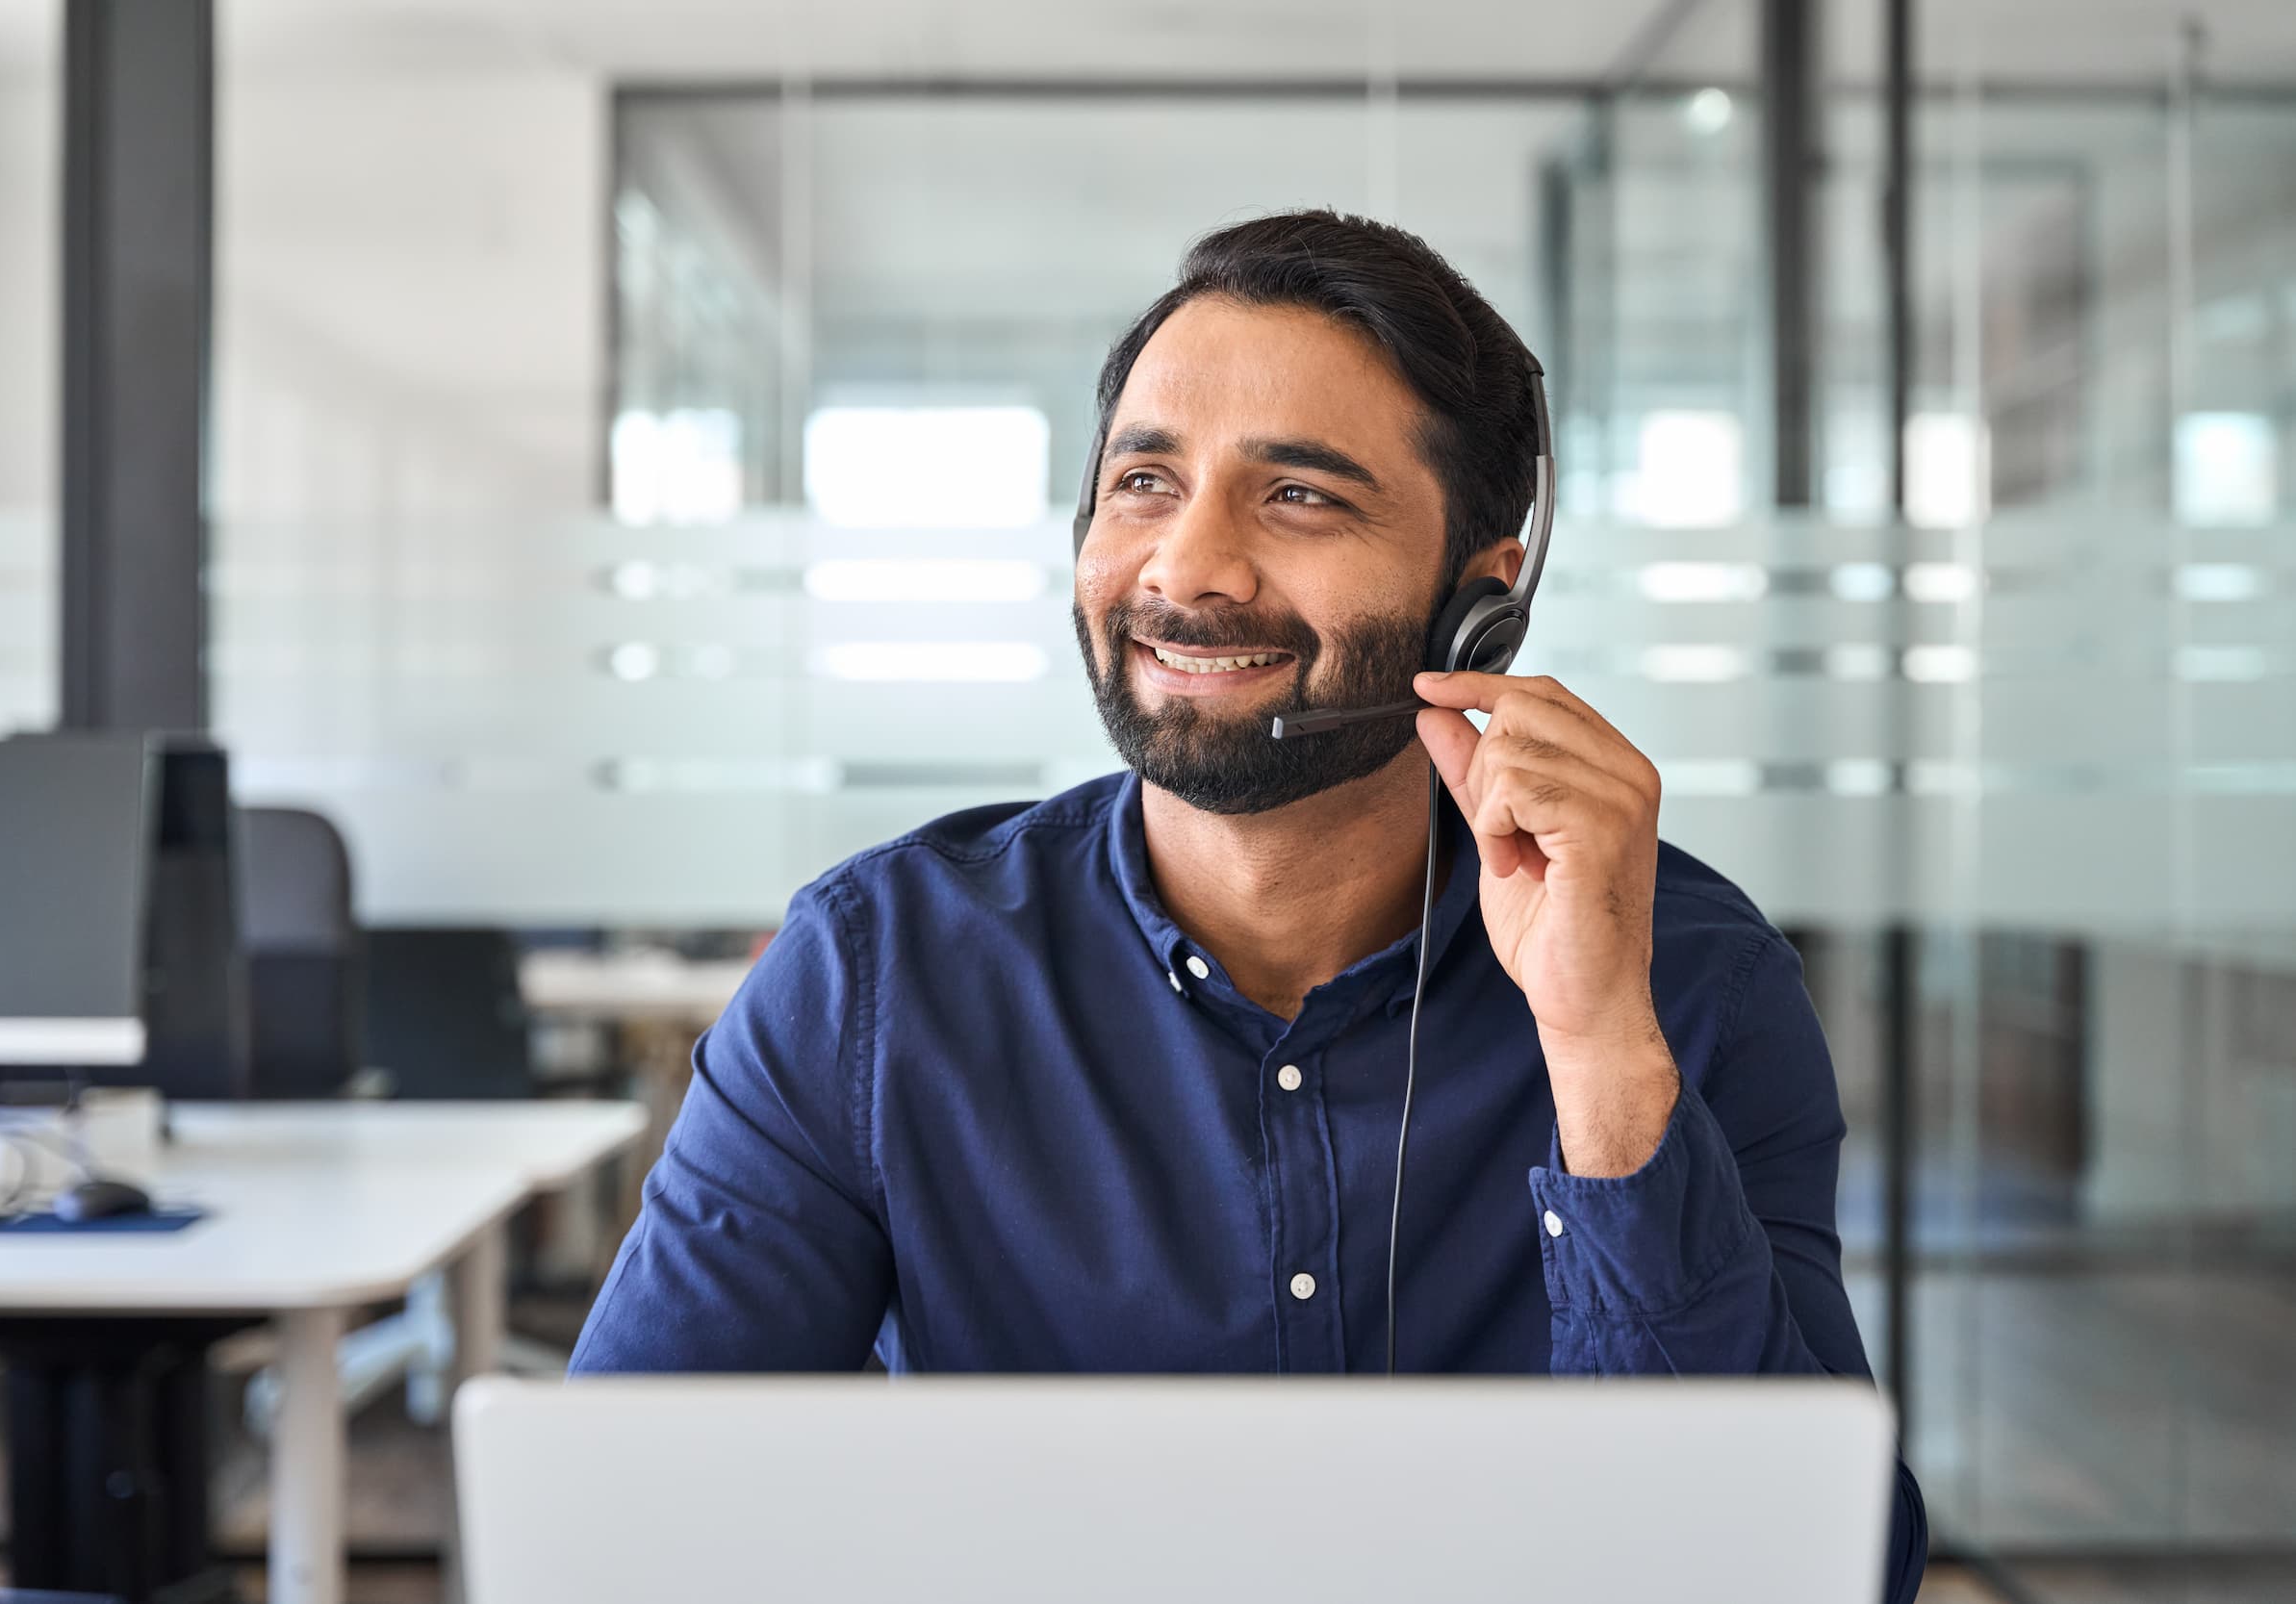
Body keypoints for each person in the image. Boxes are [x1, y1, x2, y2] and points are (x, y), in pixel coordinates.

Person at [573, 208, 1926, 1603]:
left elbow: (1811, 1573)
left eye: (1300, 497)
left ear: (1483, 602)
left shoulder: (1681, 978)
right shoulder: (880, 973)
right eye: (1145, 481)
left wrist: (1600, 1065)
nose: (1186, 571)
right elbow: (619, 1526)